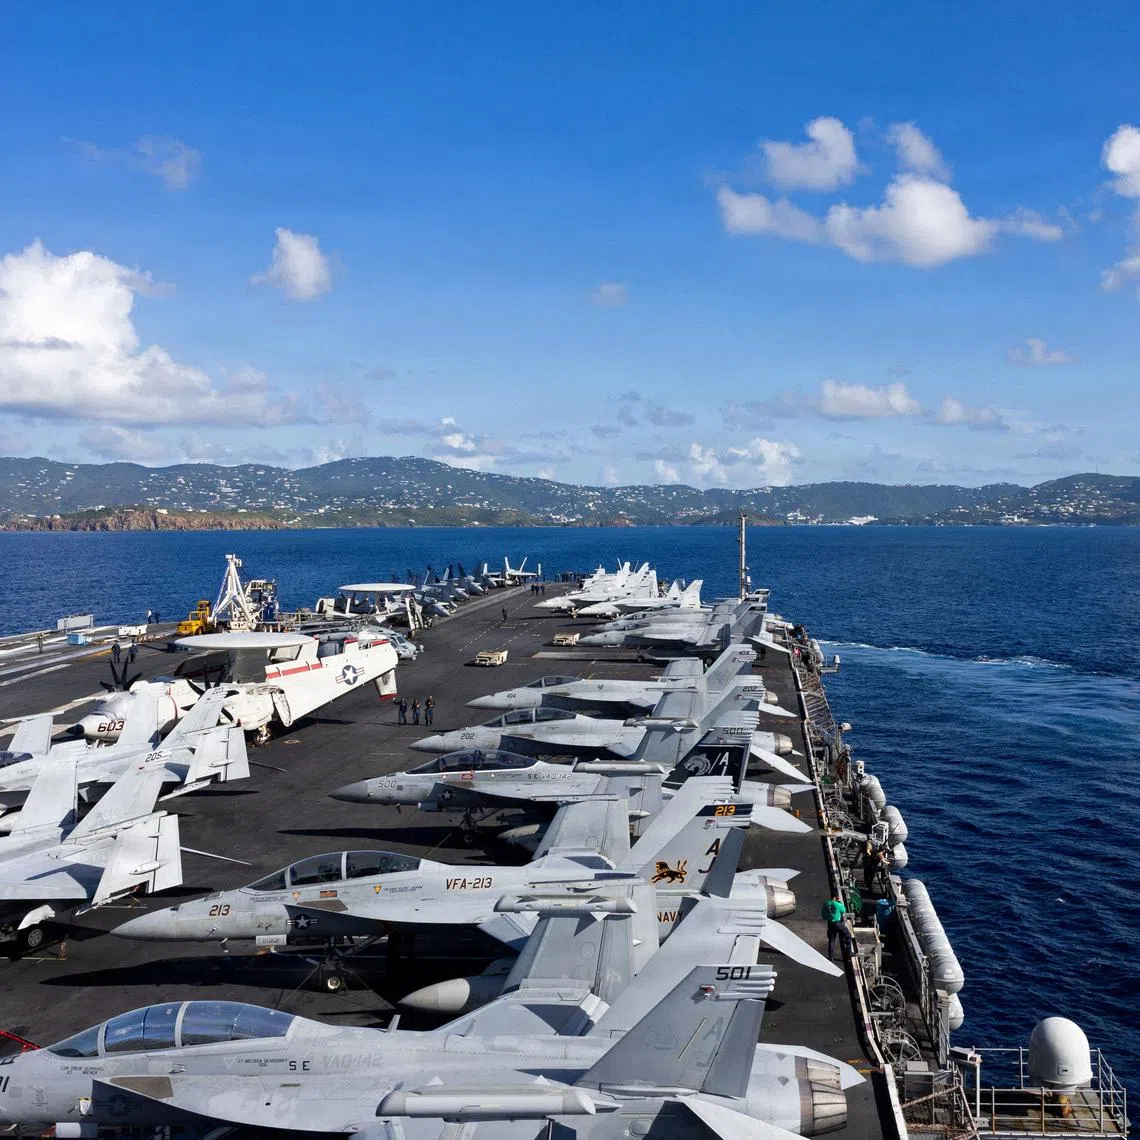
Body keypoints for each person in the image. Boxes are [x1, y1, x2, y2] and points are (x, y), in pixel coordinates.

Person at [820, 892, 855, 961]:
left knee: (832, 940)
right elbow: (844, 910)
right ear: (835, 897)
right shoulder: (838, 904)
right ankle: (849, 952)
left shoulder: (826, 903)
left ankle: (831, 957)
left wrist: (829, 918)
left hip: (830, 923)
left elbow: (823, 914)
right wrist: (840, 903)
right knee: (848, 935)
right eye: (838, 897)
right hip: (837, 923)